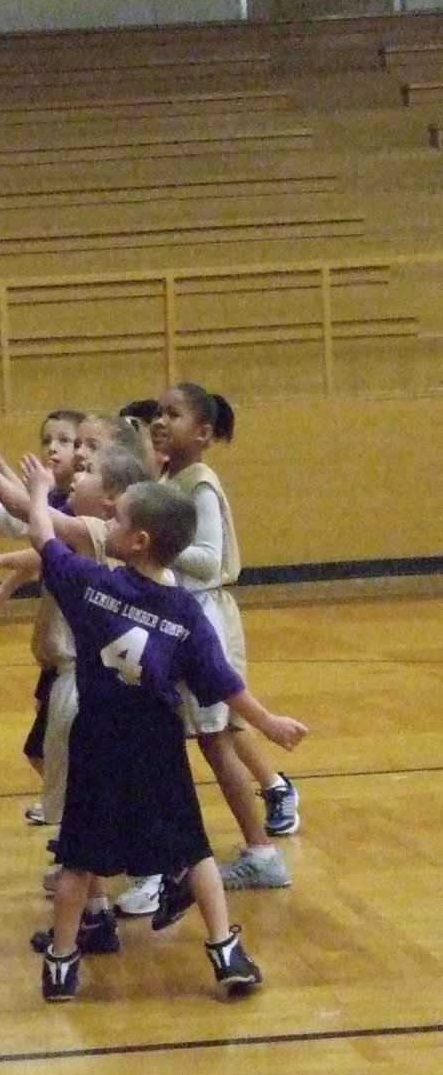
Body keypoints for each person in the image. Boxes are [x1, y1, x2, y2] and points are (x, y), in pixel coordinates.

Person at [20, 455, 308, 1001]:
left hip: (99, 735)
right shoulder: (184, 612)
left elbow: (42, 538)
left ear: (136, 541)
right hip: (156, 739)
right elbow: (223, 681)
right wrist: (267, 721)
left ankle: (61, 963)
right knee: (192, 849)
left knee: (78, 857)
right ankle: (225, 950)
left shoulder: (88, 583)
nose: (109, 526)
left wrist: (39, 493)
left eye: (117, 521)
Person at [150, 382, 301, 893]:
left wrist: (155, 547)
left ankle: (262, 853)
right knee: (208, 738)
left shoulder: (201, 483)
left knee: (217, 740)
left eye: (174, 414)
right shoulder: (172, 475)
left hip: (204, 617)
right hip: (183, 615)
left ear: (204, 432)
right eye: (159, 413)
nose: (160, 421)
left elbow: (209, 561)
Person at [0, 403, 83, 827]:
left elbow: (41, 541)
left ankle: (75, 811)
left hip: (81, 652)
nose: (54, 448)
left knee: (49, 751)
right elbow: (28, 508)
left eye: (66, 440)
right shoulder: (61, 499)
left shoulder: (87, 508)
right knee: (46, 750)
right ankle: (69, 805)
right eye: (47, 440)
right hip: (61, 648)